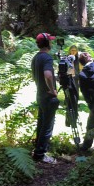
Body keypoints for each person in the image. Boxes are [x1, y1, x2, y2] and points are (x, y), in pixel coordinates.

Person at [31, 32, 59, 164]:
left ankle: (38, 149)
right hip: (48, 97)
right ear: (47, 43)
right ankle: (40, 154)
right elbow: (47, 75)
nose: (52, 43)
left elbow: (37, 76)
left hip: (39, 95)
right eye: (51, 41)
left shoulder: (36, 57)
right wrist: (53, 90)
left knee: (41, 124)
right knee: (47, 126)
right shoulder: (47, 58)